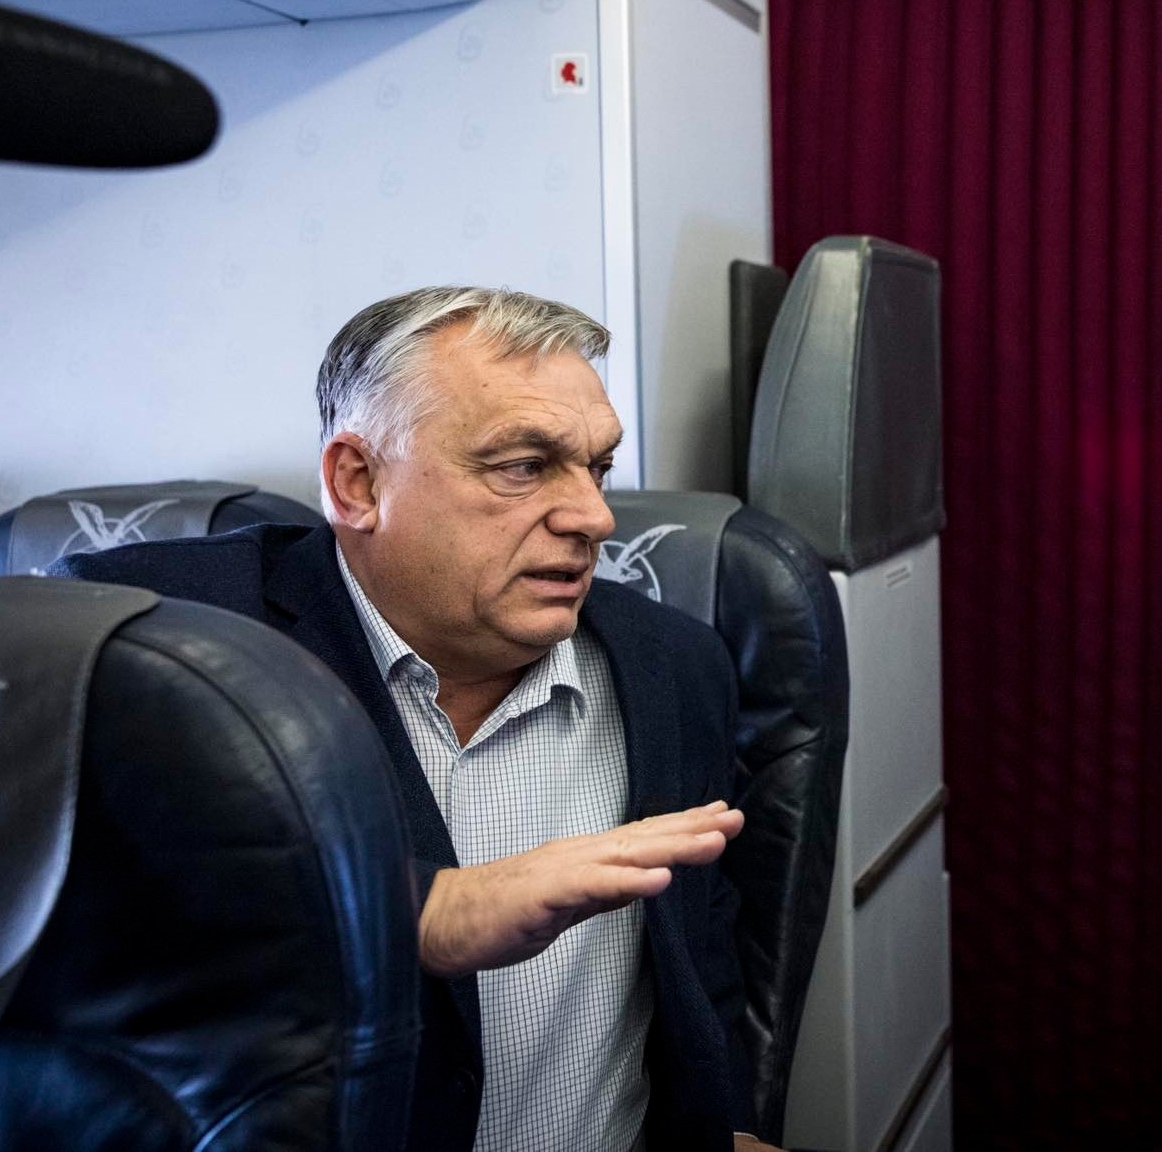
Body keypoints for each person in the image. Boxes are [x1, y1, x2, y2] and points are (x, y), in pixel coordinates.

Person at [56, 287, 778, 1152]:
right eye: (524, 466)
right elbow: (74, 924)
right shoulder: (159, 636)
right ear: (357, 483)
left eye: (597, 467)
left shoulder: (678, 666)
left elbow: (701, 964)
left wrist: (724, 1128)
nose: (594, 516)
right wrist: (416, 912)